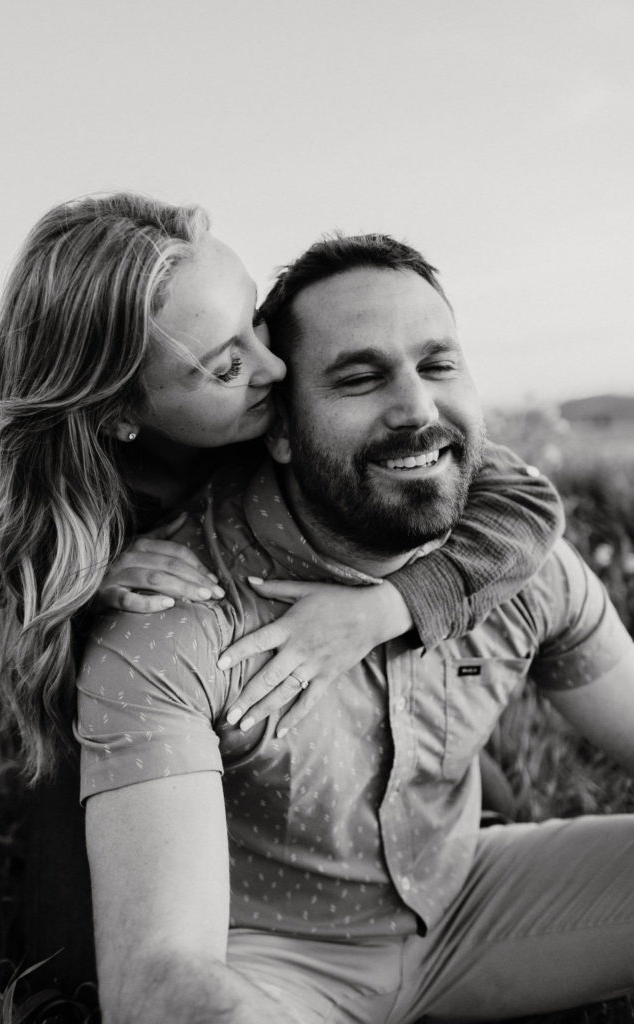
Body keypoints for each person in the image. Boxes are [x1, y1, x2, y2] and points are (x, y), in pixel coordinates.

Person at [78, 232, 634, 1024]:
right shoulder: (168, 618)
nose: (416, 408)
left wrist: (395, 607)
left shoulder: (518, 559)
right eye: (358, 378)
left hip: (468, 898)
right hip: (270, 962)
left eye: (438, 365)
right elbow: (159, 980)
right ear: (275, 423)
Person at [0, 192, 562, 784]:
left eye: (254, 320)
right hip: (145, 733)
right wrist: (85, 587)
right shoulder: (70, 504)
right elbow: (21, 604)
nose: (274, 368)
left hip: (347, 702)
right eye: (225, 367)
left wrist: (389, 608)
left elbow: (527, 500)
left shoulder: (291, 414)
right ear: (118, 414)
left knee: (460, 781)